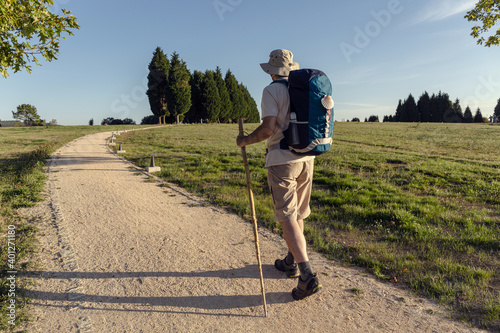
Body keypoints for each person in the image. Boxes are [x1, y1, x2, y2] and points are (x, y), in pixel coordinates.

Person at [236, 49, 322, 300]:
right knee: (297, 213)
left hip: (282, 159)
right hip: (307, 157)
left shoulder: (271, 90)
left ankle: (307, 276)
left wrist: (244, 141)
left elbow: (268, 129)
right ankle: (291, 261)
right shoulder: (304, 90)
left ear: (272, 71)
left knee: (286, 217)